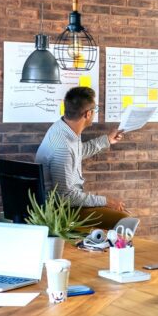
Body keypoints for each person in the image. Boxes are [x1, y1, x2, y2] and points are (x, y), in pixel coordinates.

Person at [35, 86, 129, 229]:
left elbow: (78, 152)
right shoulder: (63, 148)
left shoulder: (62, 128)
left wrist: (107, 140)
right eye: (94, 111)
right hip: (61, 212)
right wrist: (106, 201)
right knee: (125, 220)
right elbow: (66, 198)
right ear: (88, 114)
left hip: (68, 204)